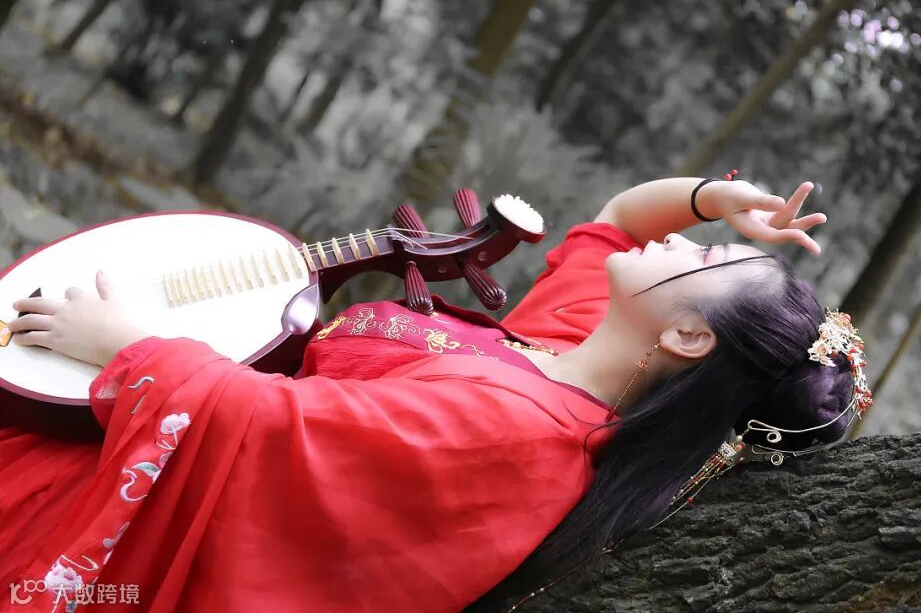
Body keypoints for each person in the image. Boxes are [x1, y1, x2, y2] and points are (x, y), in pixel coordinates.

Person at [0, 176, 835, 613]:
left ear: (687, 337)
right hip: (128, 428)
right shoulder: (570, 350)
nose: (683, 242)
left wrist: (127, 346)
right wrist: (715, 201)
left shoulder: (522, 439)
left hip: (126, 500)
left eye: (703, 257)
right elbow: (619, 221)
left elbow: (275, 428)